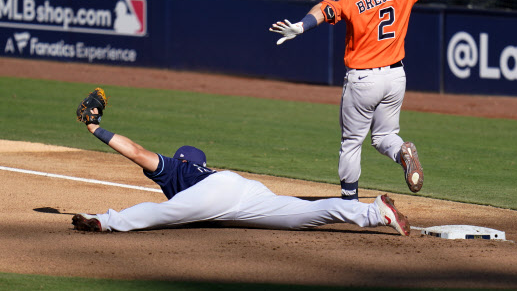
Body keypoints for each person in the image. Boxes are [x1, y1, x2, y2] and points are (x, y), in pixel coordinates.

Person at [270, 0, 501, 200]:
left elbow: (322, 10)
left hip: (363, 80)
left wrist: (301, 26)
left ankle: (349, 201)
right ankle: (403, 152)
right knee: (384, 137)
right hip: (395, 77)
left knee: (351, 143)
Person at [71, 88, 411, 236]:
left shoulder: (178, 170)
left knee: (161, 213)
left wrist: (94, 126)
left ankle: (103, 220)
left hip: (217, 193)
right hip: (245, 192)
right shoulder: (200, 171)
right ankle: (373, 211)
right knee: (303, 216)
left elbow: (136, 151)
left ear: (183, 160)